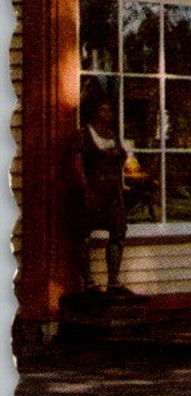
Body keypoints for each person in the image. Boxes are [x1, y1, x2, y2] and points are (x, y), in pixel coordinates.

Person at [66, 98, 136, 296]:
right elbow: (77, 164)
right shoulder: (83, 135)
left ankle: (113, 281)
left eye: (109, 110)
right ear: (94, 112)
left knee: (118, 231)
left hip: (112, 194)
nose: (107, 114)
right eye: (102, 109)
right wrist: (85, 189)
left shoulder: (112, 136)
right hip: (92, 192)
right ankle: (87, 280)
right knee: (83, 235)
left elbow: (122, 159)